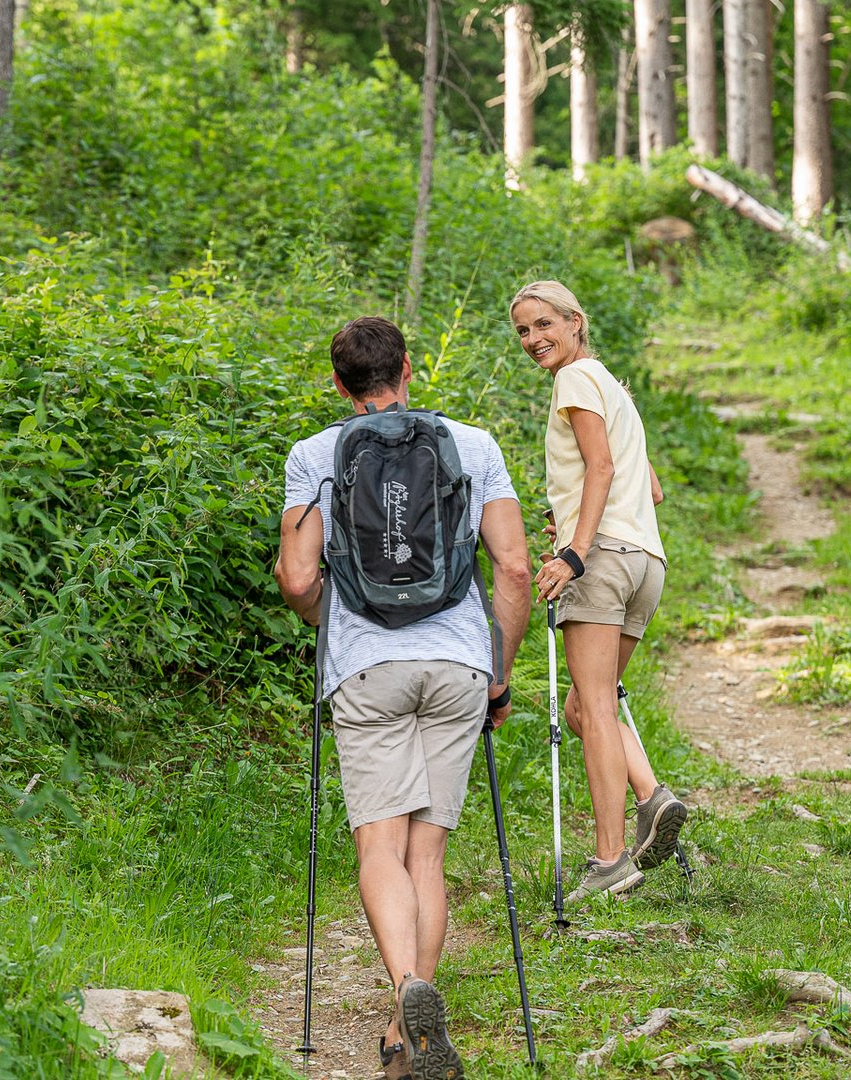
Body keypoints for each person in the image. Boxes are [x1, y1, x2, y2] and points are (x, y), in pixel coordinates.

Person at [275, 316, 531, 1080]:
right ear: (409, 368)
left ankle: (405, 989)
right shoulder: (474, 445)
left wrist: (335, 621)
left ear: (338, 383)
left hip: (366, 669)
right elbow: (513, 568)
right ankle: (404, 1028)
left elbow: (295, 577)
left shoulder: (314, 454)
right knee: (429, 852)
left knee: (379, 846)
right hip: (455, 664)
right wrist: (499, 670)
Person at [509, 280, 687, 905]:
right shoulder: (613, 385)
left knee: (596, 710)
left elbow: (603, 470)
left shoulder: (575, 381)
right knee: (588, 711)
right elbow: (650, 487)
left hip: (604, 560)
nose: (533, 339)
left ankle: (610, 860)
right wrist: (582, 520)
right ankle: (652, 799)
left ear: (574, 320)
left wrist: (575, 551)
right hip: (646, 561)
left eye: (542, 324)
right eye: (524, 331)